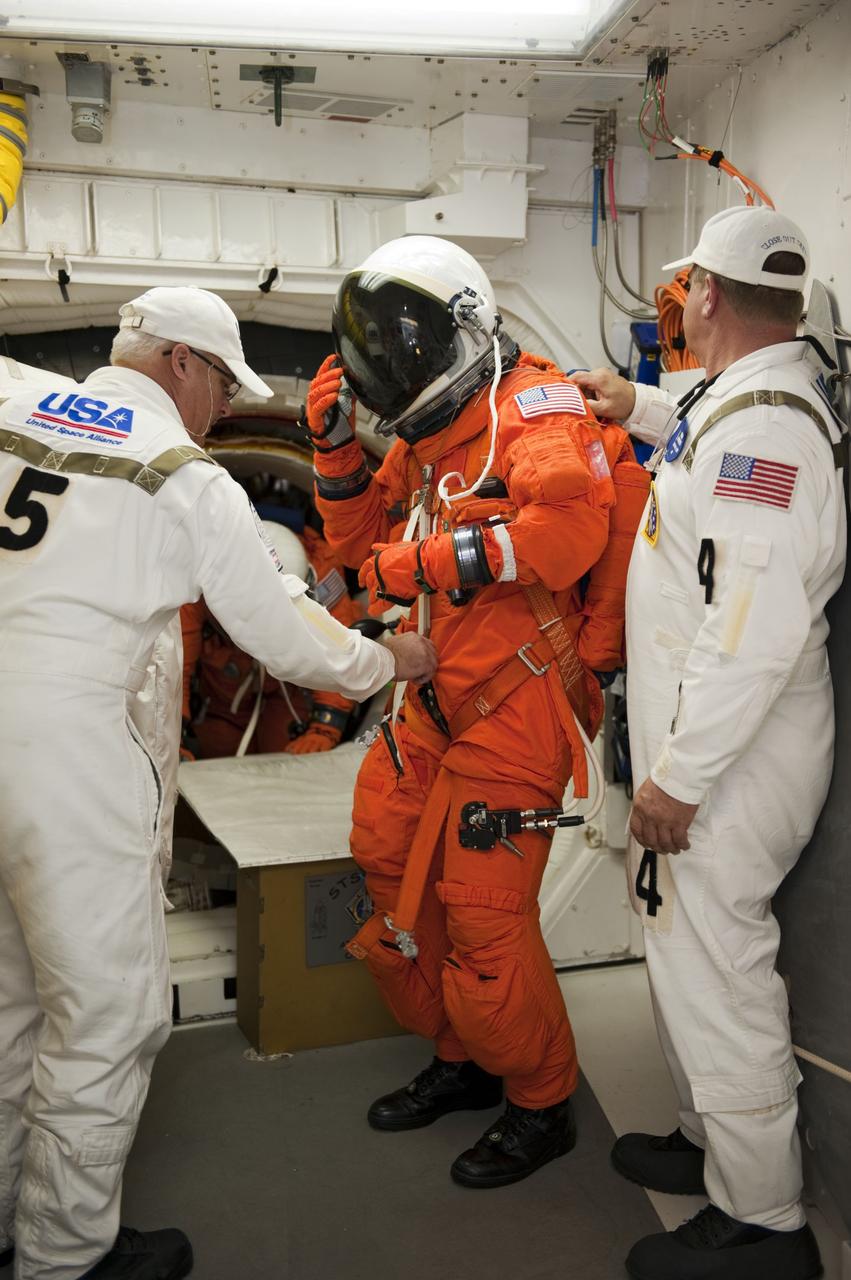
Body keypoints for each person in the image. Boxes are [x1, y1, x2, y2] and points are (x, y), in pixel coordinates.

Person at [0, 285, 436, 1280]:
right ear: (183, 364)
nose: (225, 410)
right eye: (222, 387)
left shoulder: (13, 396)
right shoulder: (183, 475)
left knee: (11, 997)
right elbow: (285, 633)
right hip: (68, 753)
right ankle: (64, 1258)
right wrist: (385, 661)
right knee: (108, 1017)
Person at [305, 235, 648, 1188]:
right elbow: (359, 548)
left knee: (485, 917)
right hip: (432, 702)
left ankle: (540, 1102)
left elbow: (565, 536)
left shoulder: (532, 411)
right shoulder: (429, 439)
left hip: (516, 701)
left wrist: (423, 563)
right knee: (388, 868)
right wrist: (335, 450)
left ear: (460, 330)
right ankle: (462, 1059)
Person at [573, 206, 846, 1280]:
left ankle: (762, 1218)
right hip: (706, 745)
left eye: (684, 286)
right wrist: (632, 401)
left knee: (718, 970)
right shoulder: (740, 395)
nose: (675, 302)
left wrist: (678, 780)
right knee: (680, 956)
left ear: (709, 297)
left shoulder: (765, 432)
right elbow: (696, 427)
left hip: (731, 764)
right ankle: (705, 1136)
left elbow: (751, 630)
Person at [181, 521, 365, 758]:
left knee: (287, 756)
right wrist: (171, 734)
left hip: (288, 690)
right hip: (222, 690)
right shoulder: (195, 583)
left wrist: (326, 726)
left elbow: (340, 649)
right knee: (218, 749)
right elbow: (175, 664)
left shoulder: (322, 571)